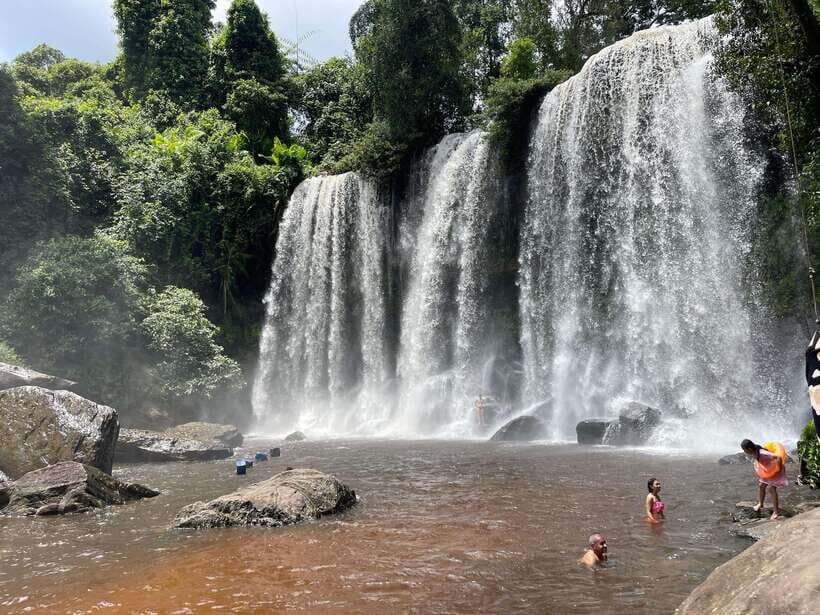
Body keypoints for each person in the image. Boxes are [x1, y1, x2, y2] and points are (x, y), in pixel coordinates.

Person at [741, 439, 787, 520]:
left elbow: (778, 457)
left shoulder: (763, 453)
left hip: (777, 469)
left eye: (744, 450)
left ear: (749, 449)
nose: (744, 452)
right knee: (761, 485)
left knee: (771, 489)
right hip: (768, 470)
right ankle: (761, 503)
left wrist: (779, 468)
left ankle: (776, 512)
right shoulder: (755, 452)